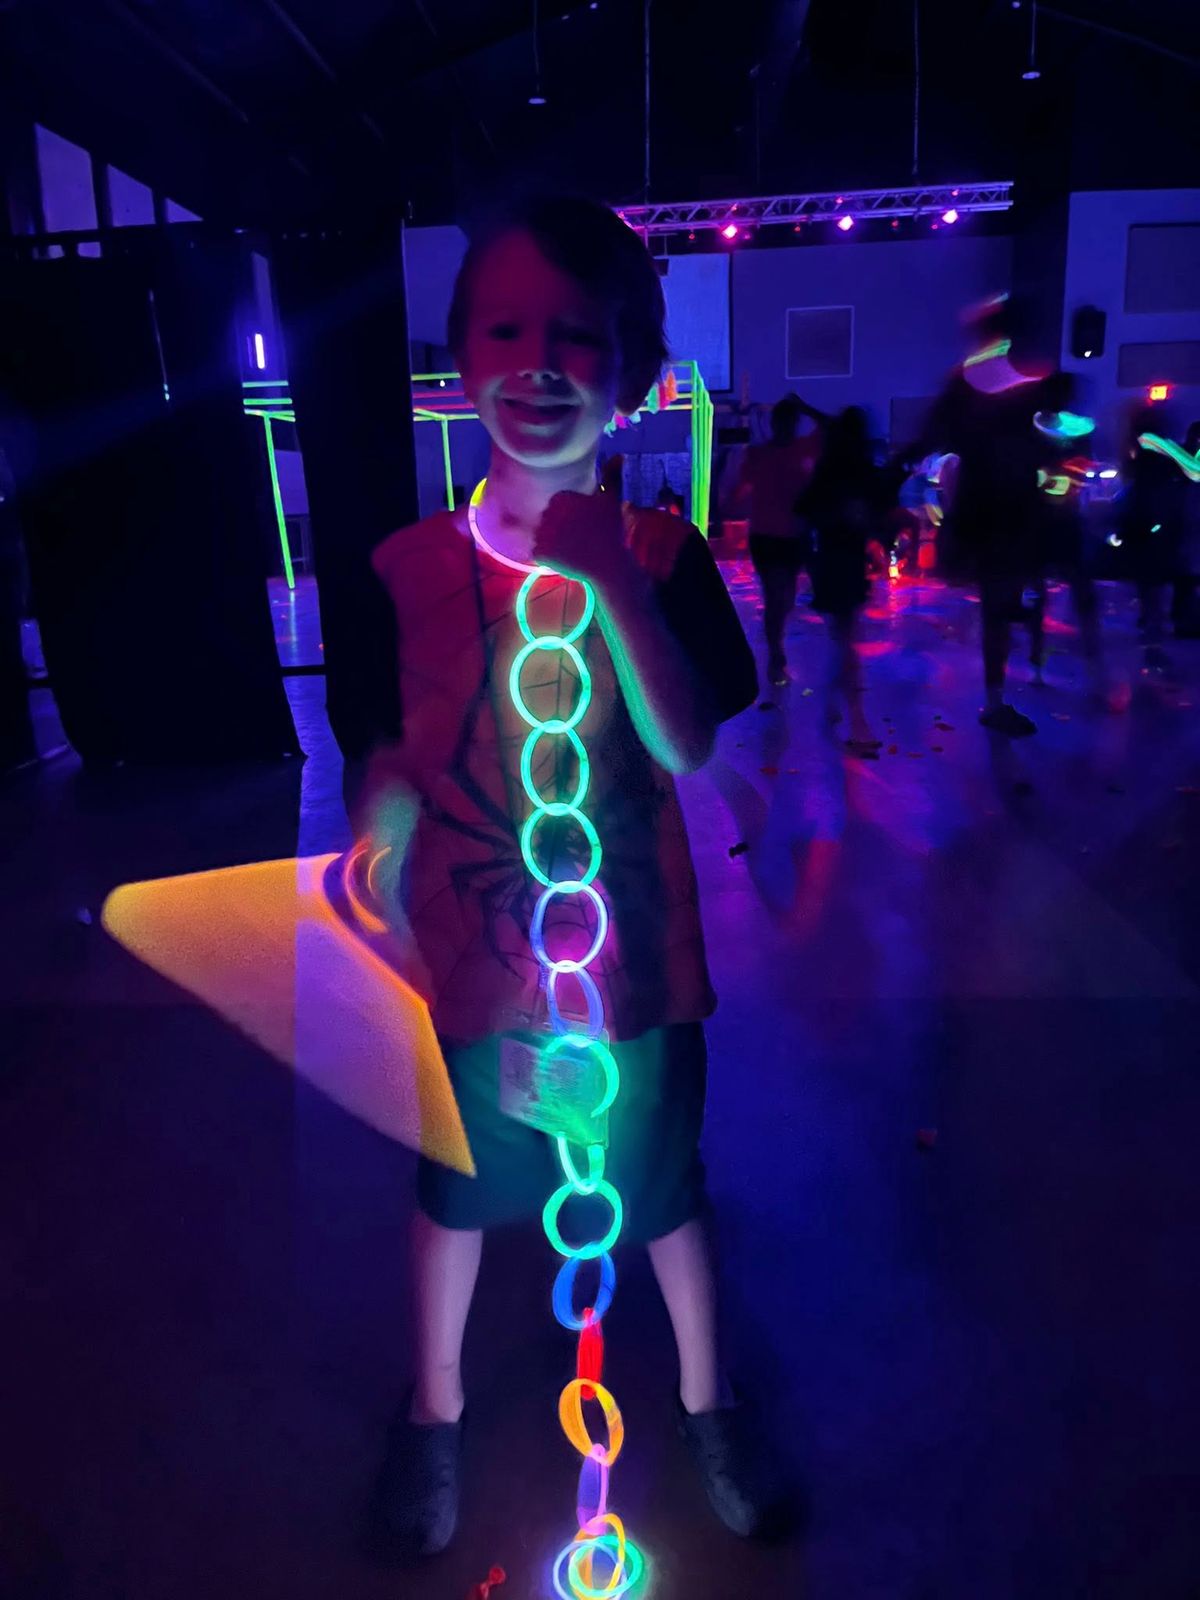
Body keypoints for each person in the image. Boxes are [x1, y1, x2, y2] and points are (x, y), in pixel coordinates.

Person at [355, 194, 768, 1560]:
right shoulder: (409, 570)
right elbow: (392, 744)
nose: (537, 363)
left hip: (629, 954)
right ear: (460, 359)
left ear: (631, 375)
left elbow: (690, 742)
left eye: (576, 337)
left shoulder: (662, 559)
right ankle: (432, 1410)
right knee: (458, 1189)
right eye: (505, 330)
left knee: (659, 1187)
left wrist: (615, 584)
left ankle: (711, 1404)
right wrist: (379, 831)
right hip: (474, 954)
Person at [923, 294, 1049, 736]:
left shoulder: (964, 383)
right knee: (1006, 604)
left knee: (1002, 607)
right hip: (1009, 511)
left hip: (988, 510)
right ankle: (996, 700)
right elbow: (1043, 441)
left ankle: (997, 698)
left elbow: (931, 432)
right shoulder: (1026, 384)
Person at [797, 406, 886, 754]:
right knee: (846, 642)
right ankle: (856, 721)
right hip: (842, 565)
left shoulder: (830, 472)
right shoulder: (855, 473)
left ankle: (834, 707)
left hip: (835, 564)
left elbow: (804, 514)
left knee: (843, 640)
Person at [735, 393, 823, 686]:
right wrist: (732, 500)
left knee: (785, 600)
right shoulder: (759, 454)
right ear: (775, 423)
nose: (786, 426)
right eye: (783, 421)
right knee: (776, 598)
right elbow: (742, 487)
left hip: (794, 538)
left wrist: (805, 405)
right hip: (766, 537)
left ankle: (776, 648)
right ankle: (776, 654)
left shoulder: (801, 448)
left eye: (790, 421)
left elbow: (832, 427)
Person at [1120, 404, 1190, 671]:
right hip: (1156, 526)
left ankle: (1152, 637)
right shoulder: (1160, 453)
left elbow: (1134, 487)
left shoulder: (1139, 453)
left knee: (1149, 588)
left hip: (1143, 525)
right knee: (1154, 588)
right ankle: (1153, 640)